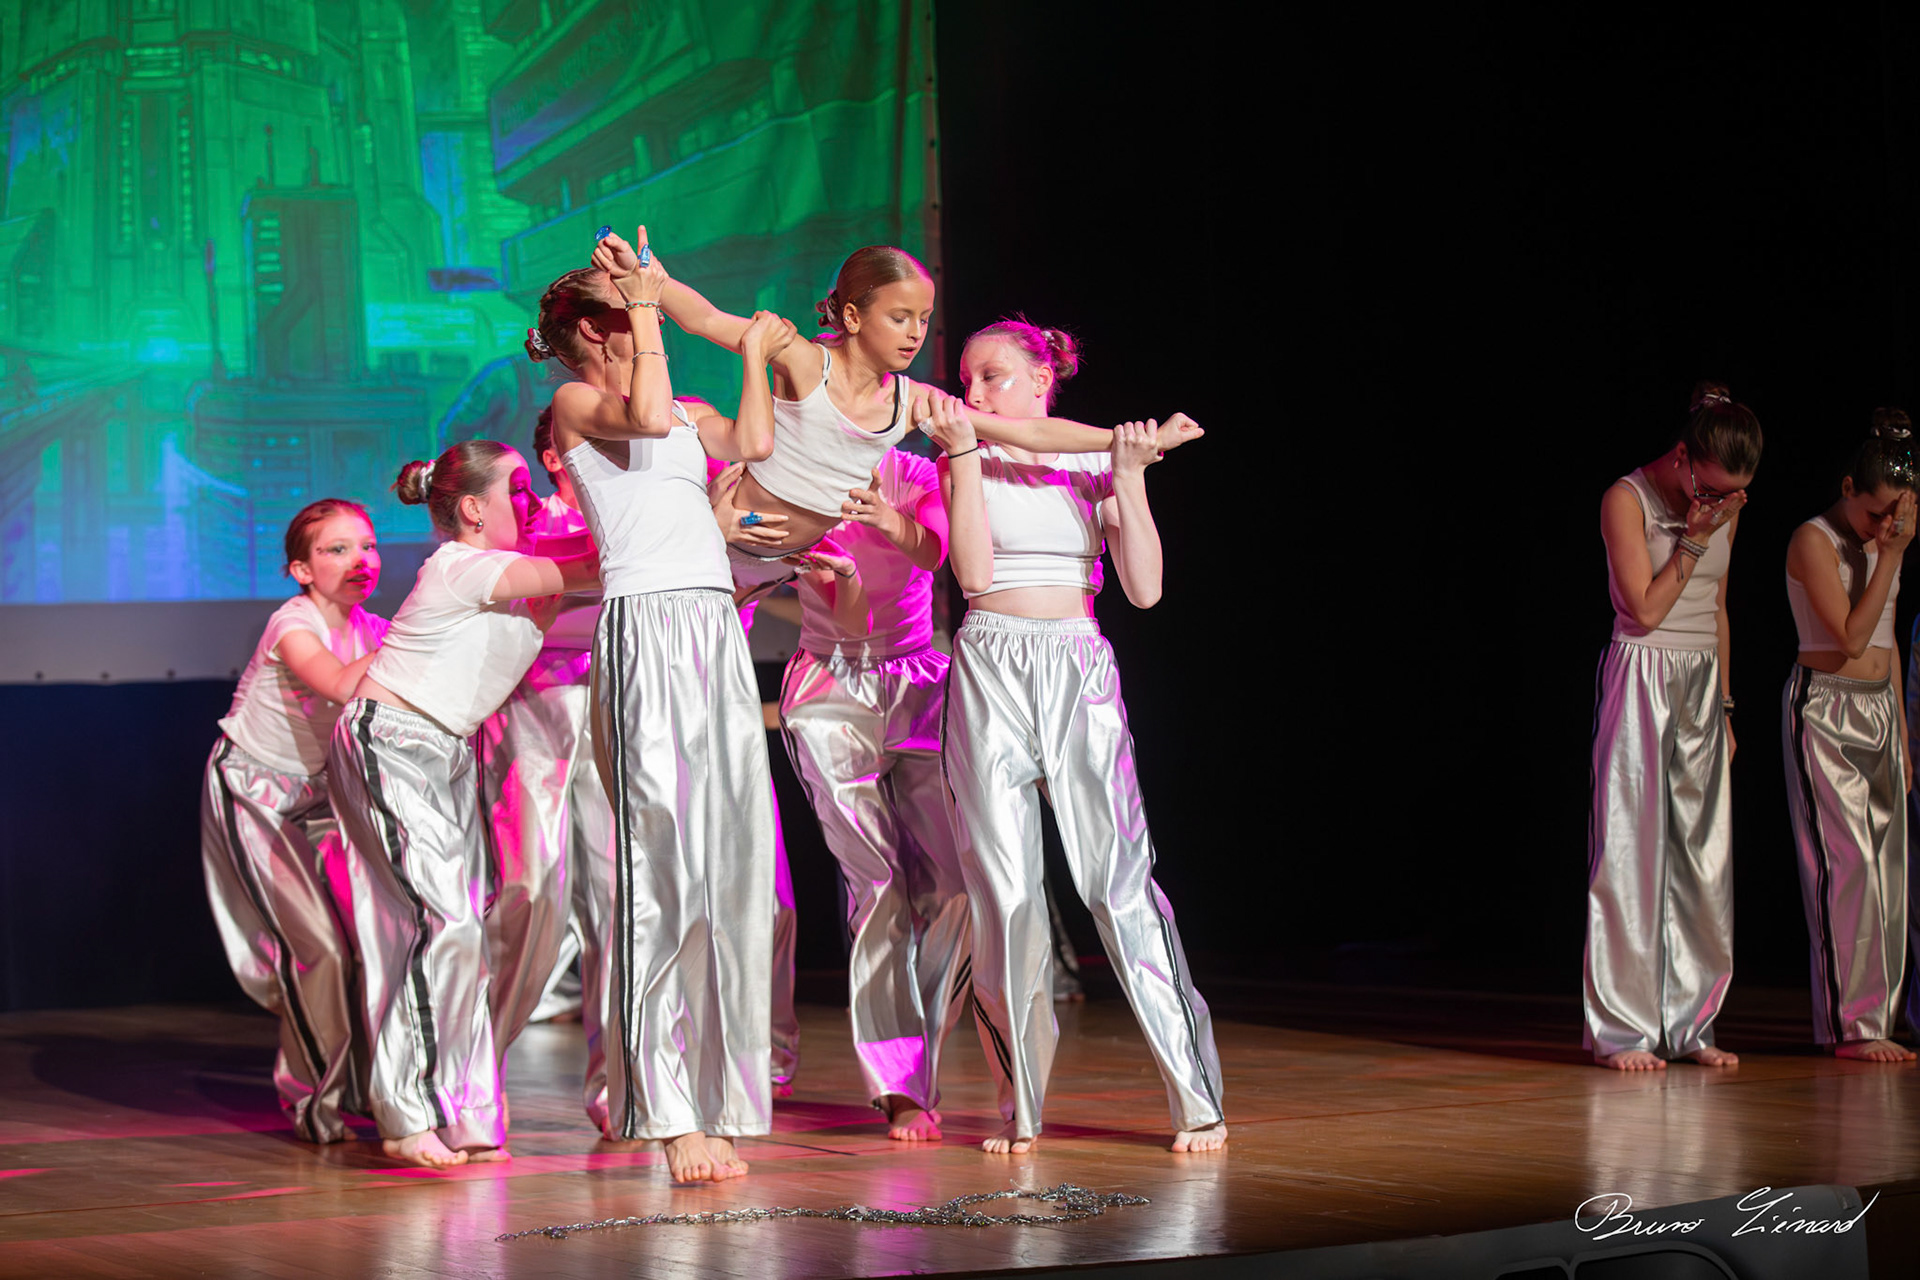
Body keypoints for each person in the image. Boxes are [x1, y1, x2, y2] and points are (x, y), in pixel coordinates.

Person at [528, 226, 787, 1181]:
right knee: (660, 865)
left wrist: (752, 350)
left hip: (714, 624)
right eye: (625, 309)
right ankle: (668, 1111)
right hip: (644, 623)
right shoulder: (578, 403)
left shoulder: (683, 408)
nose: (645, 314)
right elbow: (640, 415)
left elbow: (751, 442)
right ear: (599, 330)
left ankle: (725, 1098)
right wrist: (645, 303)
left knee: (732, 861)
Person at [932, 317, 1226, 1155]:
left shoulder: (1091, 462)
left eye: (992, 376)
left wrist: (1129, 473)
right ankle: (1019, 1106)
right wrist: (963, 452)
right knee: (1005, 895)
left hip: (1076, 667)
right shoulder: (964, 454)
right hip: (988, 666)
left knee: (1118, 884)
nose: (973, 392)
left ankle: (1196, 1097)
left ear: (1040, 379)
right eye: (966, 377)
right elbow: (974, 574)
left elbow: (1145, 589)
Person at [648, 238, 1203, 599]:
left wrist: (1134, 438)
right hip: (722, 542)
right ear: (852, 316)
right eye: (900, 317)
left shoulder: (913, 401)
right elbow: (705, 319)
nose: (916, 332)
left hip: (780, 564)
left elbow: (1029, 430)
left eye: (924, 318)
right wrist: (650, 281)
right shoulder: (804, 360)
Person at [327, 440, 600, 1169]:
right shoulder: (463, 566)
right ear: (474, 509)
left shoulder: (507, 575)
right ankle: (406, 1113)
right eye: (519, 489)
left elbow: (590, 595)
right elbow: (592, 567)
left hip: (440, 753)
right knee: (439, 925)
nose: (532, 502)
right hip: (393, 741)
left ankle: (458, 1110)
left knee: (460, 933)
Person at [725, 442, 973, 1142]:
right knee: (879, 883)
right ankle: (899, 1082)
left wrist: (888, 520)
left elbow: (935, 551)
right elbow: (845, 619)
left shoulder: (913, 473)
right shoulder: (790, 482)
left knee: (956, 890)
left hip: (919, 685)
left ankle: (920, 1054)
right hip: (831, 689)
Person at [1587, 382, 1762, 1071]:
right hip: (1643, 669)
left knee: (1702, 855)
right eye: (1711, 488)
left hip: (1701, 679)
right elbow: (1646, 610)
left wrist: (1725, 706)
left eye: (1733, 494)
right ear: (1684, 458)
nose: (1721, 503)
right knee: (1631, 850)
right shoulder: (1625, 499)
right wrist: (1693, 537)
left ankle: (1693, 1023)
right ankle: (1622, 1029)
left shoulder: (1724, 508)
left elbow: (1717, 607)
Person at [201, 499, 386, 1144]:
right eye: (338, 549)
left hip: (324, 799)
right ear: (302, 570)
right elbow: (337, 683)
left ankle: (367, 1090)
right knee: (321, 950)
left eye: (367, 546)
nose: (360, 560)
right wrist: (422, 631)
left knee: (369, 944)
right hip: (256, 792)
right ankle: (313, 1100)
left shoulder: (375, 629)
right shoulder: (293, 621)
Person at [473, 407, 614, 1112]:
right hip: (533, 712)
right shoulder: (528, 522)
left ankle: (620, 1088)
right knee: (529, 889)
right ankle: (471, 1071)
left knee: (620, 896)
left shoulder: (625, 508)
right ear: (556, 457)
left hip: (613, 702)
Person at [1781, 410, 1918, 1063]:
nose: (1886, 526)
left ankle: (1880, 1015)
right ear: (1846, 488)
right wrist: (1890, 554)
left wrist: (1904, 731)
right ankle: (1850, 1026)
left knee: (1889, 870)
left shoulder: (1885, 543)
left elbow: (1887, 642)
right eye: (1875, 513)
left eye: (1897, 515)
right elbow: (1853, 637)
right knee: (1849, 866)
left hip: (1880, 710)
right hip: (1826, 710)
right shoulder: (1813, 540)